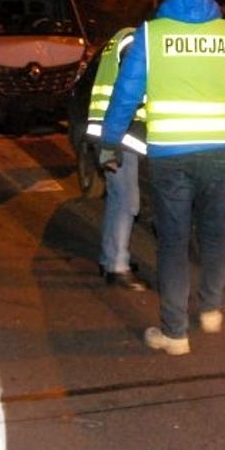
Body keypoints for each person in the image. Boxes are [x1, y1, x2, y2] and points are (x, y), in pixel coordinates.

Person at [99, 0, 225, 356]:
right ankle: (210, 309)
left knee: (174, 242)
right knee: (213, 233)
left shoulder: (152, 34)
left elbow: (125, 94)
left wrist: (109, 144)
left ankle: (175, 334)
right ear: (212, 0)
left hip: (170, 155)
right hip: (221, 154)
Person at [85, 26, 150, 291]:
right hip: (120, 132)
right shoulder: (136, 43)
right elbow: (130, 91)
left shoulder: (122, 37)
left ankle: (110, 259)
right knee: (128, 202)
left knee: (117, 199)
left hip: (109, 130)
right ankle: (117, 267)